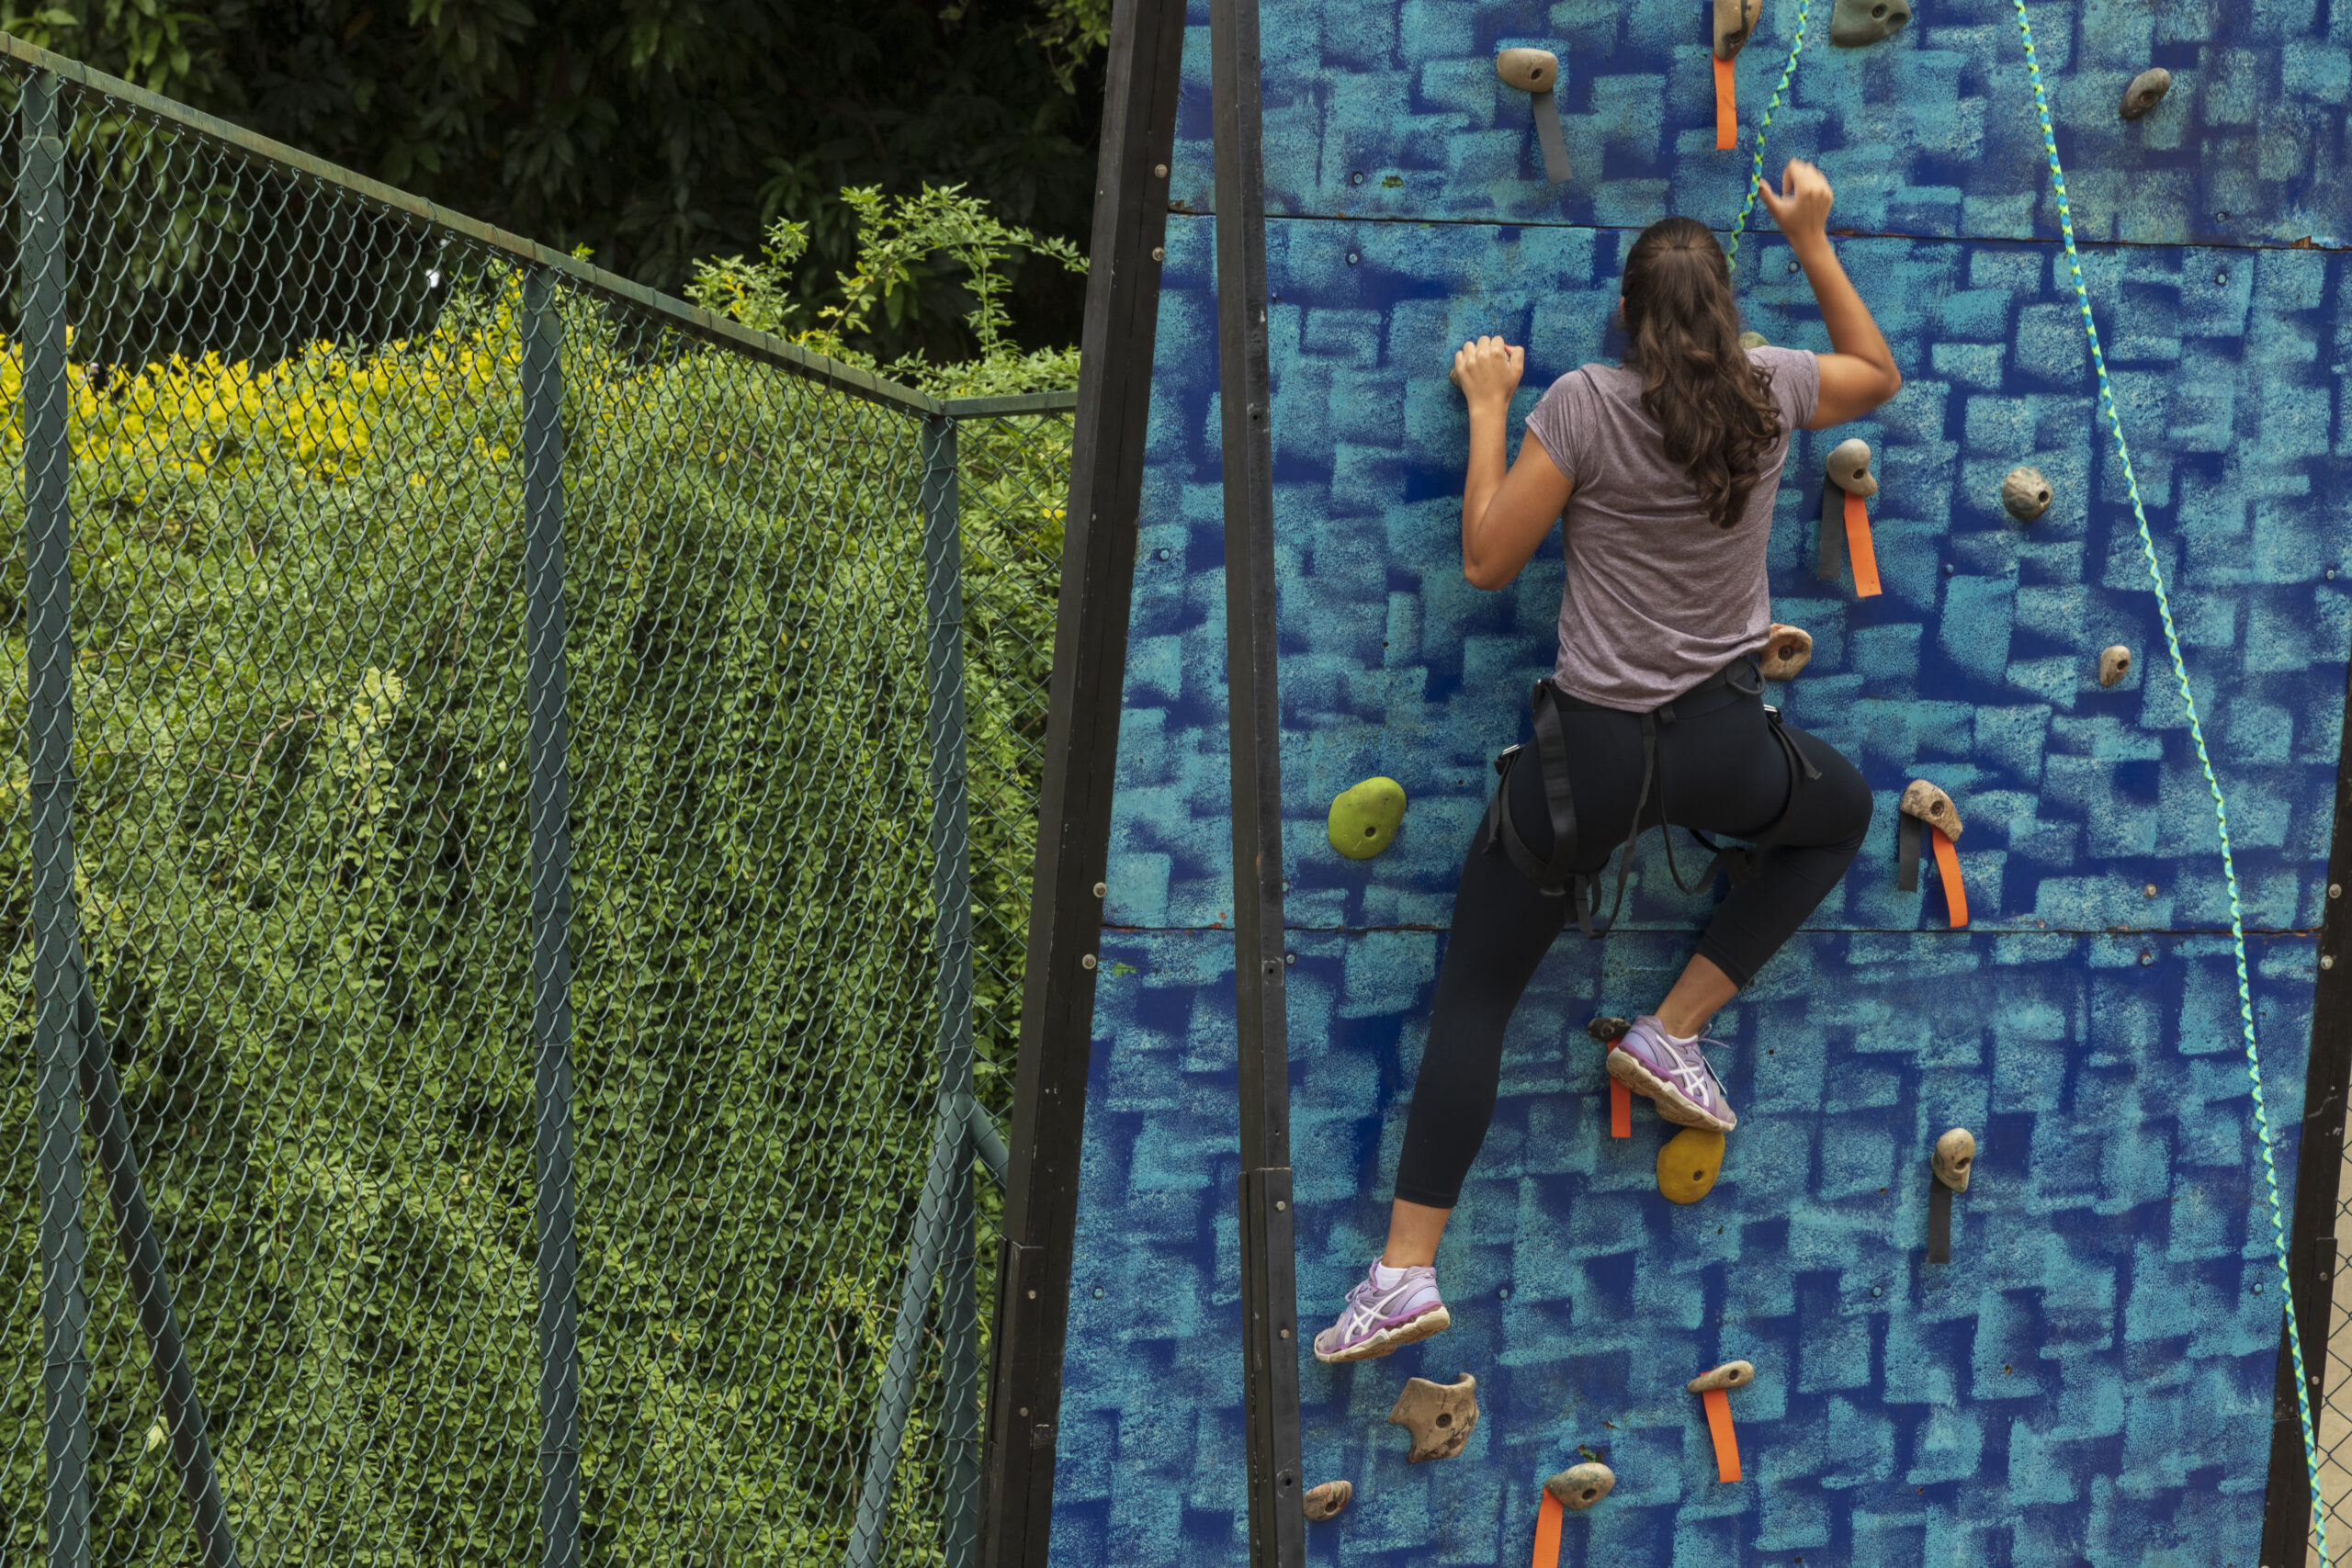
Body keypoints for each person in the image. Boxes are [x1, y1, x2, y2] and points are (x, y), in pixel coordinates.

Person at [1314, 162, 1904, 1364]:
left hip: (1583, 769)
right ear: (1726, 314)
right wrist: (1813, 236)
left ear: (1630, 322)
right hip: (1727, 749)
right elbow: (1878, 373)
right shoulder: (1775, 392)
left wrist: (1489, 405)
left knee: (1477, 995)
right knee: (1839, 813)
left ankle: (1405, 1272)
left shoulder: (1584, 404)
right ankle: (1675, 1028)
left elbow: (1487, 558)